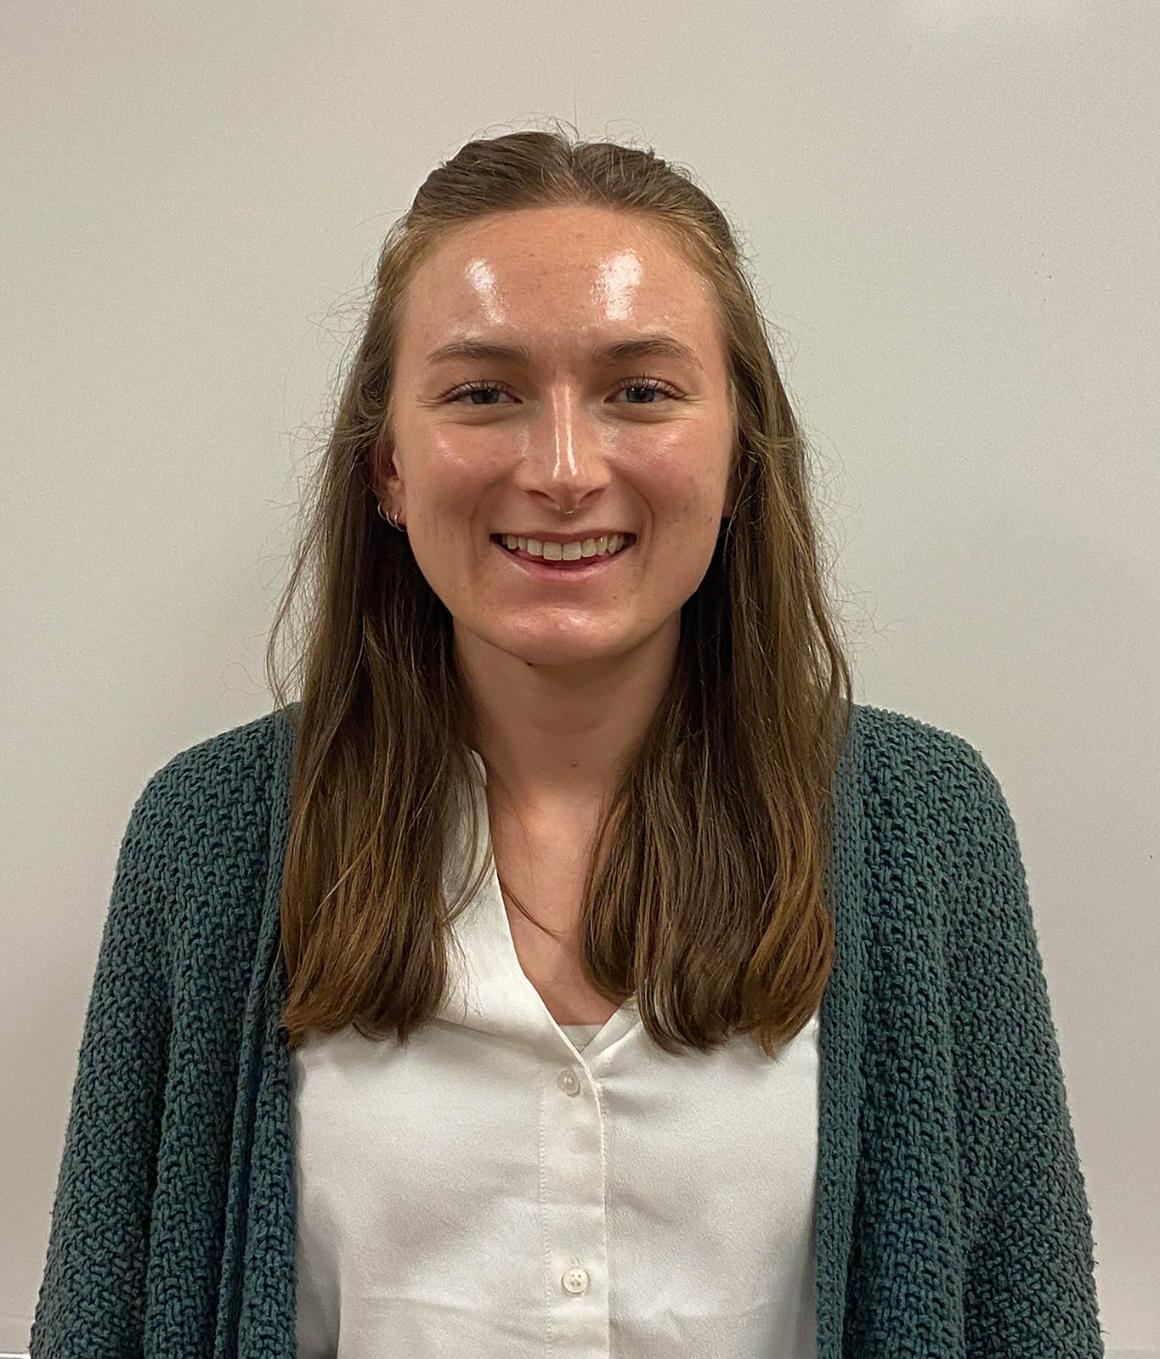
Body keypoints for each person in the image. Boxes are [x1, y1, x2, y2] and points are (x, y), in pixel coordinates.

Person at [28, 127, 1105, 1357]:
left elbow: (1024, 1310)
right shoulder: (210, 832)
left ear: (738, 455)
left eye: (638, 392)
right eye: (481, 393)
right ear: (387, 467)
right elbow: (100, 1316)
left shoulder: (920, 822)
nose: (560, 469)